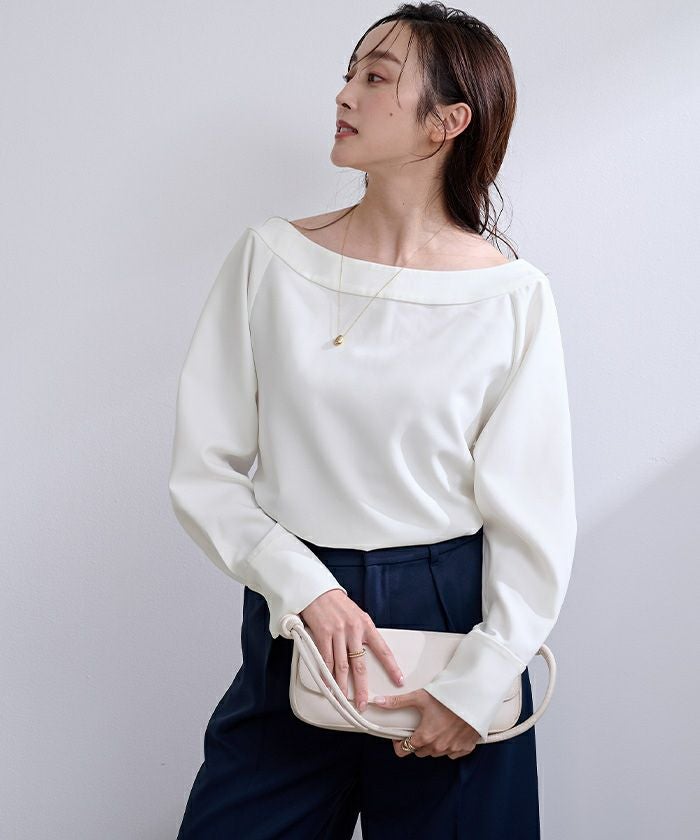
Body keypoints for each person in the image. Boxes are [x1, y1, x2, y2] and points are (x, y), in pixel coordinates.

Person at [167, 3, 577, 838]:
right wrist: (306, 586)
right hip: (299, 614)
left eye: (377, 77)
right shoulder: (272, 259)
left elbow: (535, 517)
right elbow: (205, 471)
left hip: (453, 624)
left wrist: (479, 684)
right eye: (350, 73)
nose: (345, 94)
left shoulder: (510, 297)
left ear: (447, 122)